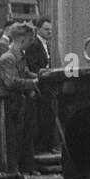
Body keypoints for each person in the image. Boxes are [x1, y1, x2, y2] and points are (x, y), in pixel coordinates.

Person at [0, 23, 39, 173]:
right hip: (4, 104)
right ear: (21, 40)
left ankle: (21, 169)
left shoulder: (20, 57)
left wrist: (41, 75)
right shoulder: (7, 59)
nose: (31, 43)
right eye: (30, 40)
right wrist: (33, 83)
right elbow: (11, 82)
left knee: (20, 137)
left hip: (16, 103)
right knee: (7, 139)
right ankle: (6, 171)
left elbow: (25, 72)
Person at [26, 17, 57, 154]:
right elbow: (33, 66)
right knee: (42, 118)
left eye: (51, 29)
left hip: (49, 87)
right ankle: (41, 148)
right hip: (40, 88)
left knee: (49, 116)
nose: (49, 32)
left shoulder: (48, 45)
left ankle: (48, 146)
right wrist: (46, 72)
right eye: (46, 29)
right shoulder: (34, 45)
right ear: (38, 29)